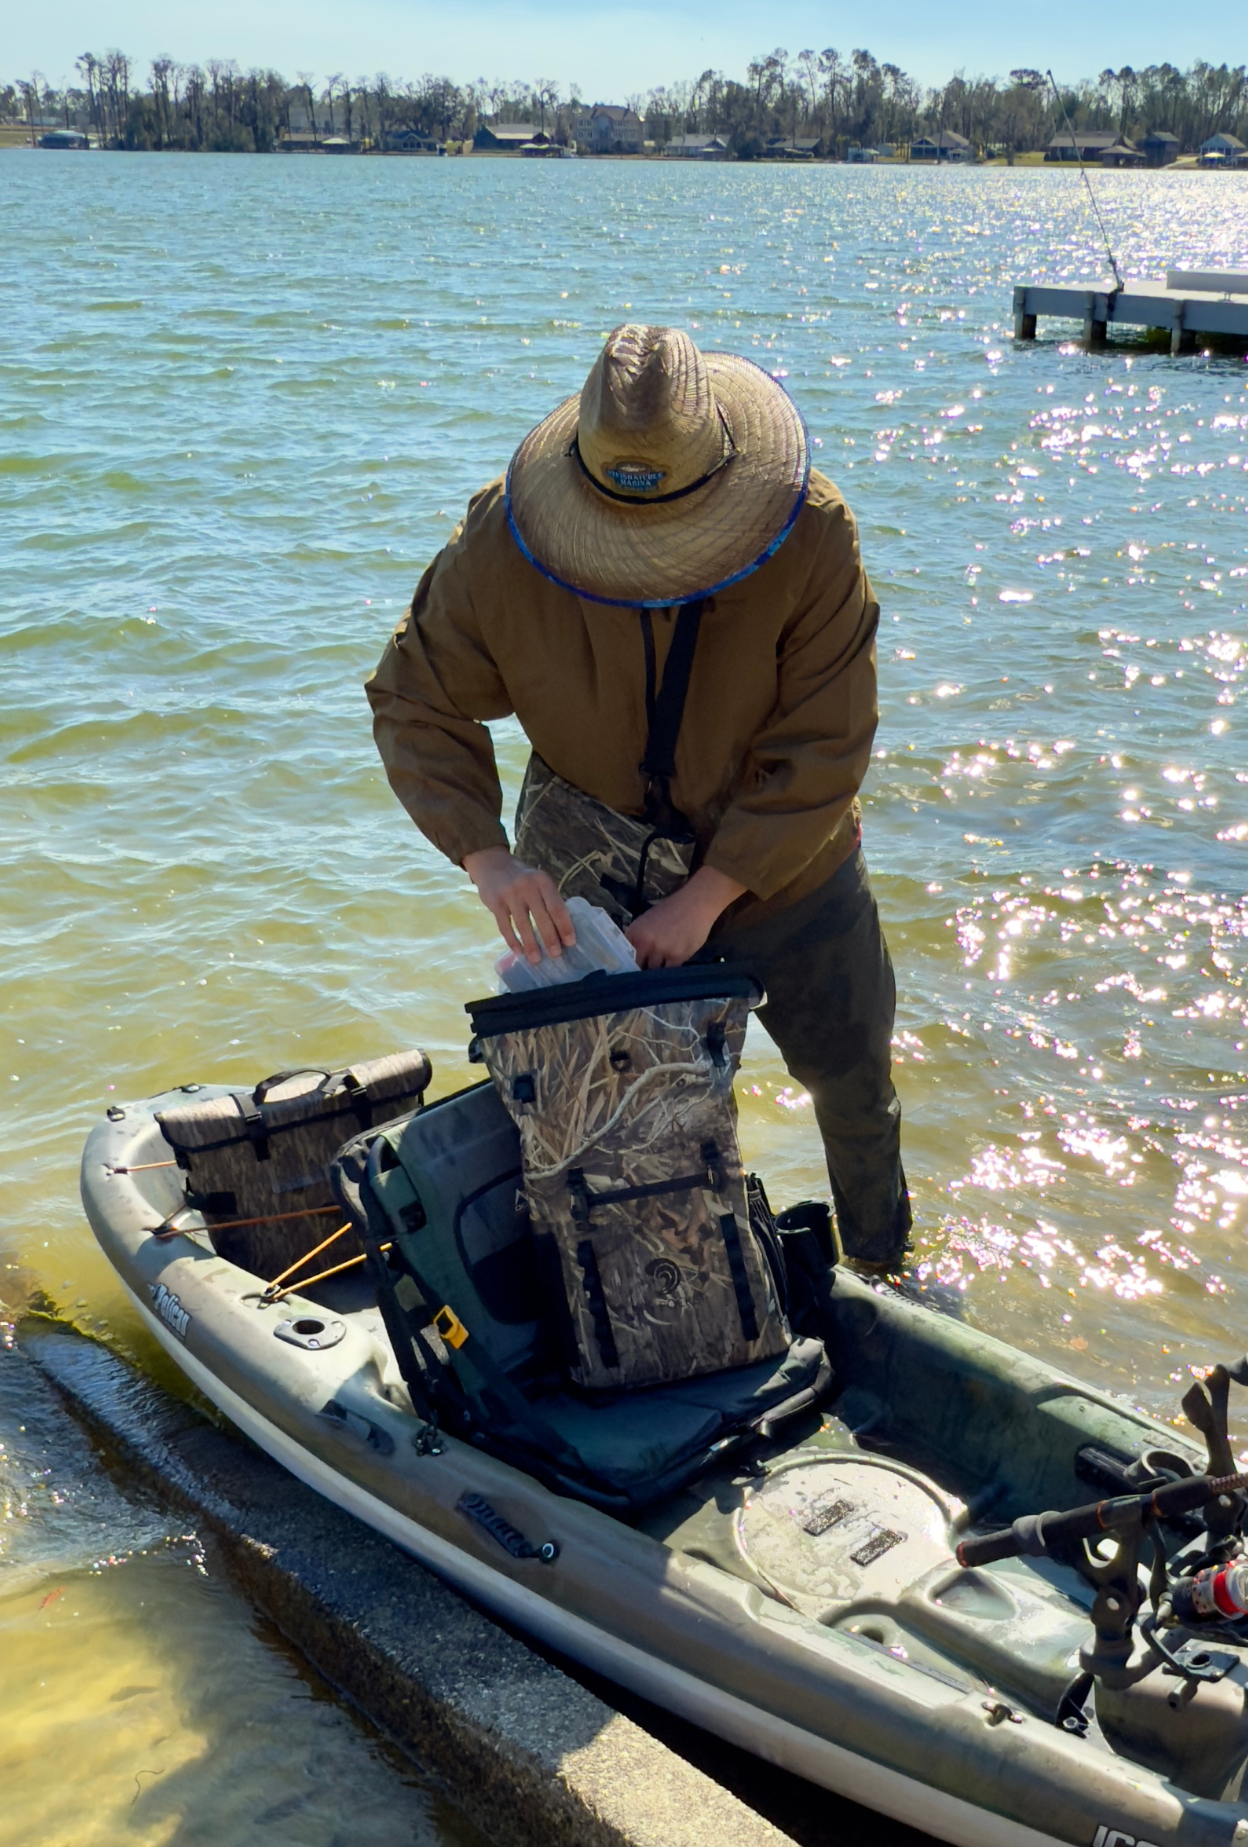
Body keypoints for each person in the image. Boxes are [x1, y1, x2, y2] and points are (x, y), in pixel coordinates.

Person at [366, 322, 910, 1273]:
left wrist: (709, 896)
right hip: (591, 855)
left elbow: (828, 745)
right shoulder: (503, 534)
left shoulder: (814, 530)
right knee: (612, 1123)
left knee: (851, 1085)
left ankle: (886, 1270)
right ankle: (633, 1290)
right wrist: (486, 855)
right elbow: (414, 697)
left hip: (791, 868)